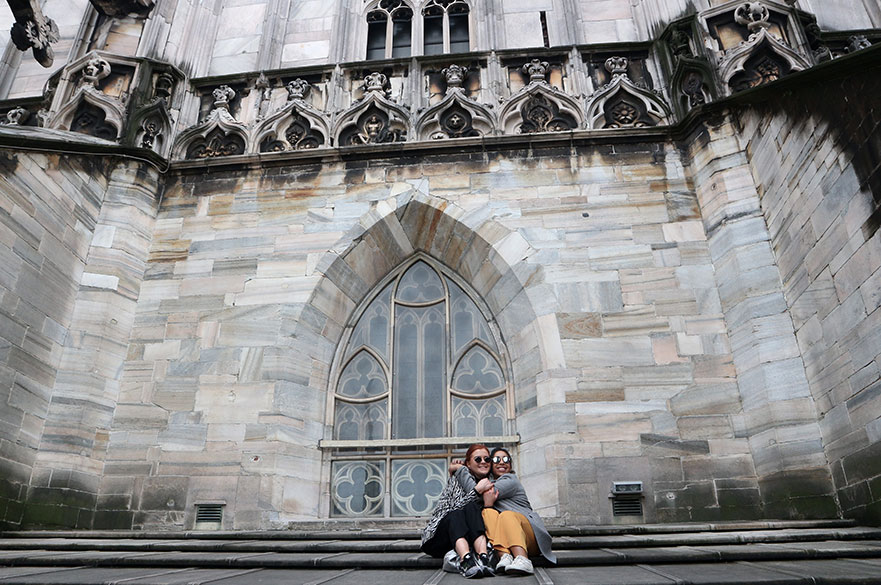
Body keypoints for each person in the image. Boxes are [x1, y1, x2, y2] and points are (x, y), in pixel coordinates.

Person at [421, 444, 497, 579]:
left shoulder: (491, 483)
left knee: (472, 508)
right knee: (463, 509)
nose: (483, 462)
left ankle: (484, 558)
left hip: (467, 538)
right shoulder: (458, 478)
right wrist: (476, 491)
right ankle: (466, 560)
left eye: (487, 459)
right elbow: (455, 509)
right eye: (478, 459)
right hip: (438, 537)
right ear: (468, 463)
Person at [477, 447, 556, 576]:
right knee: (488, 512)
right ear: (491, 464)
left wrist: (461, 471)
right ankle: (504, 556)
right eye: (497, 459)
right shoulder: (490, 482)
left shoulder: (510, 480)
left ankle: (523, 559)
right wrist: (488, 505)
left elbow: (478, 493)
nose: (502, 462)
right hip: (509, 538)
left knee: (506, 515)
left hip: (531, 537)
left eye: (506, 459)